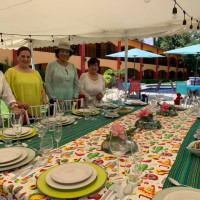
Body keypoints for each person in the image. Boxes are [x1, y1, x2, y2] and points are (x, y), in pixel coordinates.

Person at [5, 46, 49, 114]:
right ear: (17, 57)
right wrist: (18, 103)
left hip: (35, 110)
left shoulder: (36, 73)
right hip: (20, 111)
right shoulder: (10, 72)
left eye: (28, 57)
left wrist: (44, 99)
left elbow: (42, 89)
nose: (26, 59)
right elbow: (7, 92)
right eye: (23, 56)